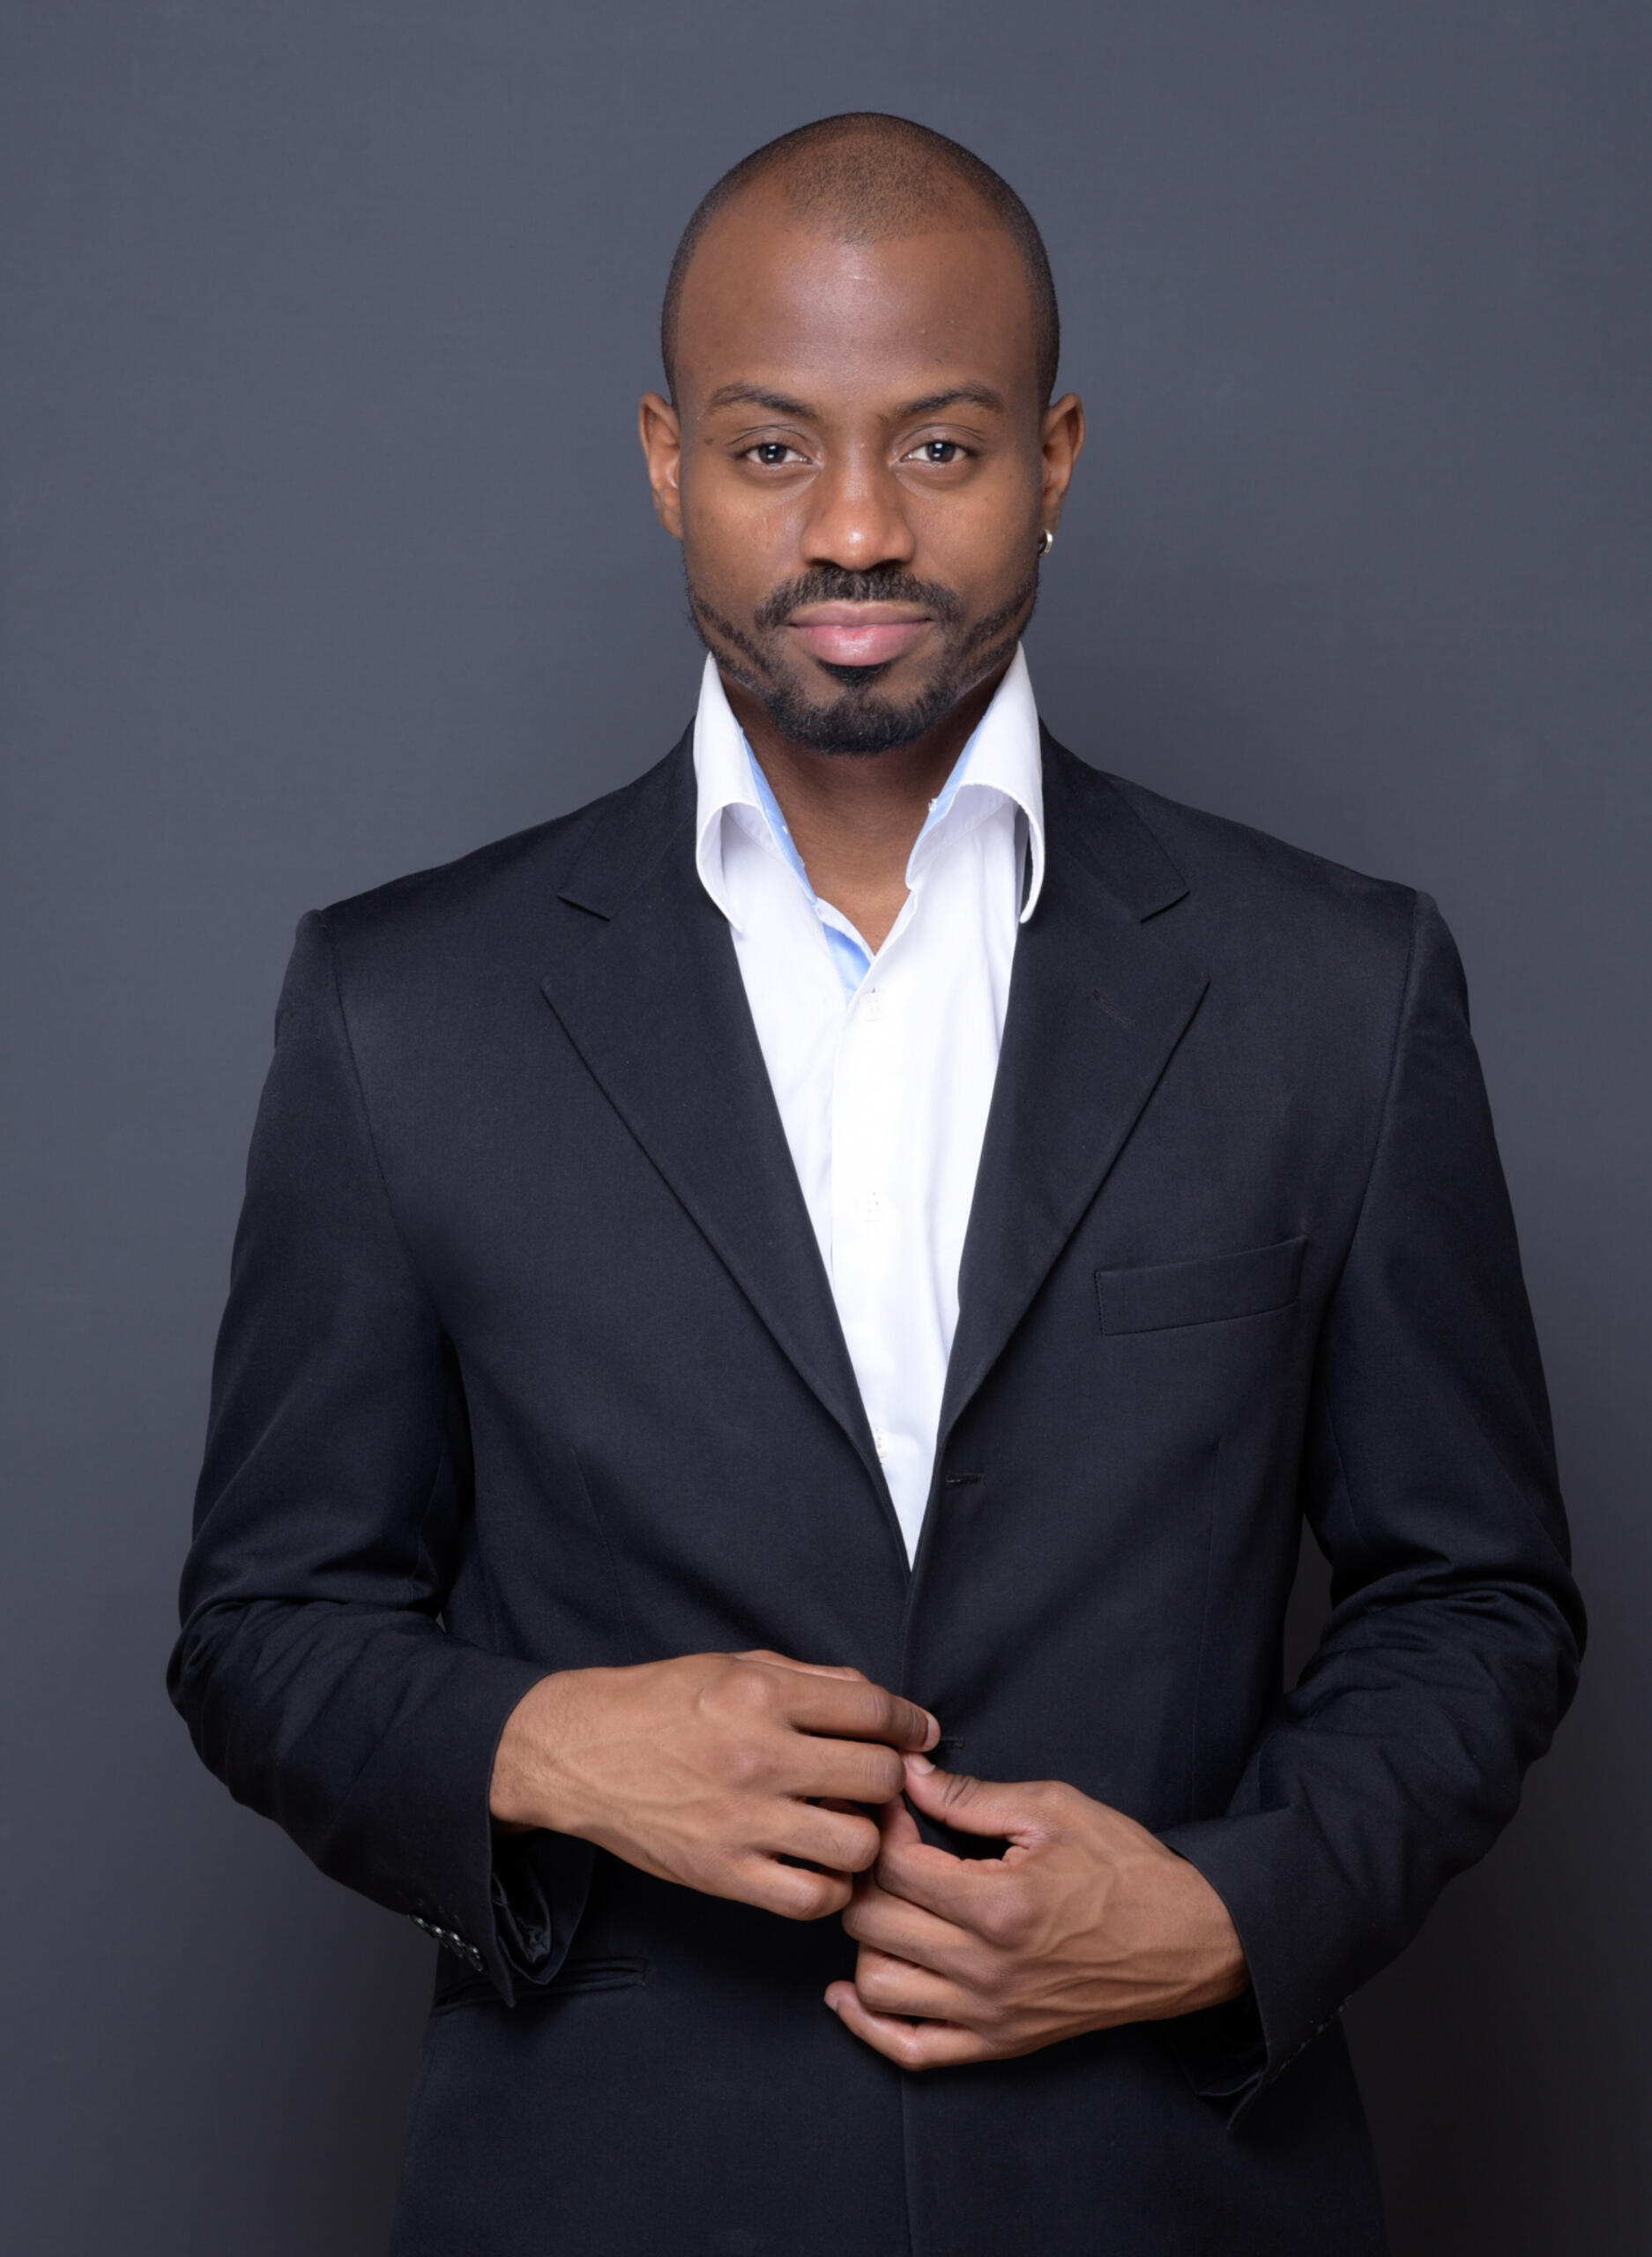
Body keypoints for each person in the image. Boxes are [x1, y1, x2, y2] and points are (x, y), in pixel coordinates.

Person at [169, 113, 1583, 2255]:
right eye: (771, 449)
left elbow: (1475, 1592)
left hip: (1166, 2187)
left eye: (938, 446)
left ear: (1055, 456)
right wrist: (542, 1740)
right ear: (666, 461)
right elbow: (263, 1627)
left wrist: (1231, 1908)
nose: (854, 529)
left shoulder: (1334, 985)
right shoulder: (404, 1007)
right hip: (608, 2198)